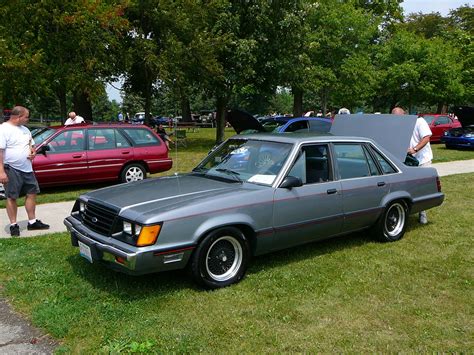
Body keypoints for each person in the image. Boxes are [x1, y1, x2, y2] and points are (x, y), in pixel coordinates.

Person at [0, 106, 50, 236]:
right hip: (11, 168)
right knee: (11, 197)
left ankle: (32, 222)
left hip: (27, 168)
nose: (28, 119)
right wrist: (1, 172)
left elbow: (31, 145)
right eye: (26, 117)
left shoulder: (25, 130)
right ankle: (13, 225)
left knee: (32, 193)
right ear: (18, 117)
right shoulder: (3, 129)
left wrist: (33, 152)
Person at [391, 106, 433, 224]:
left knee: (422, 187)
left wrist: (415, 149)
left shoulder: (419, 121)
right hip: (408, 161)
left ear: (404, 115)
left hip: (422, 160)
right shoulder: (398, 126)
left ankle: (422, 214)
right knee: (409, 188)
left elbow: (426, 138)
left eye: (398, 118)